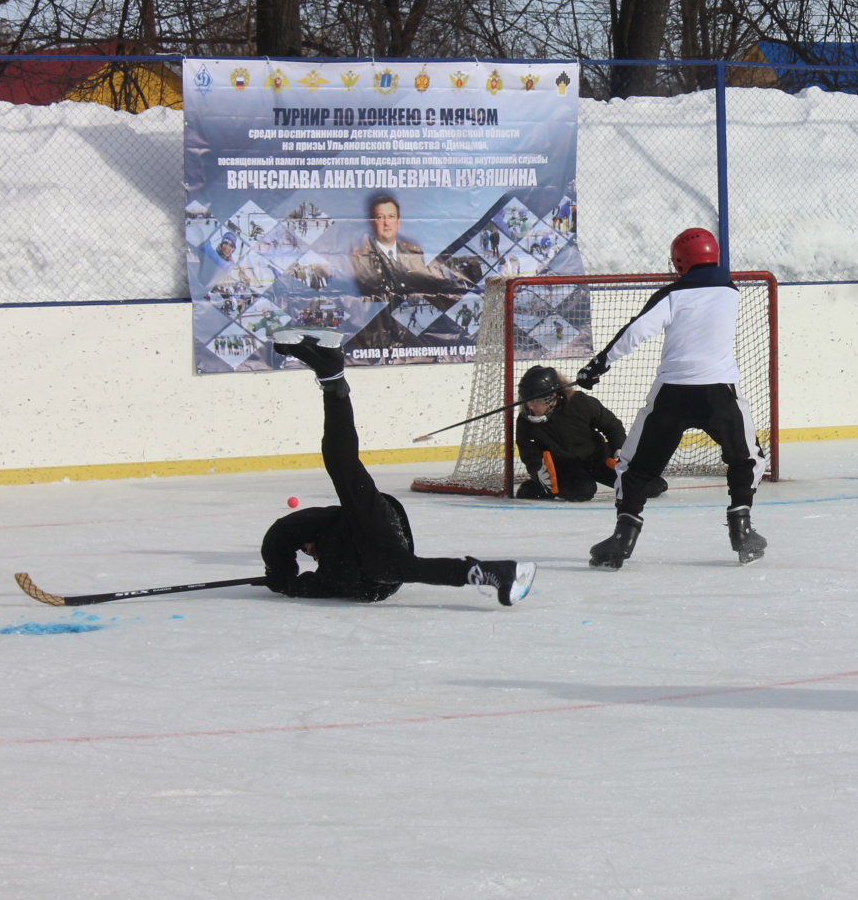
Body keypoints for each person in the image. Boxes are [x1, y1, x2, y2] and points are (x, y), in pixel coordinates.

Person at [260, 330, 535, 604]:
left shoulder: (322, 526)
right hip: (372, 579)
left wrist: (279, 571)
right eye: (308, 553)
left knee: (341, 465)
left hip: (371, 523)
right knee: (389, 568)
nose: (309, 550)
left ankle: (332, 380)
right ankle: (497, 571)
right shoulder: (335, 573)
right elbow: (317, 585)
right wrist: (287, 582)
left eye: (304, 547)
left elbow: (279, 534)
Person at [575, 227, 769, 569]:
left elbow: (635, 332)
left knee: (635, 467)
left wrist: (597, 366)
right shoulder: (731, 291)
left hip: (673, 395)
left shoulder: (673, 294)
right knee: (747, 458)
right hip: (720, 392)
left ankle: (622, 539)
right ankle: (742, 529)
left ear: (681, 262)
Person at [514, 364, 632, 502]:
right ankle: (537, 488)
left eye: (536, 401)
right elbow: (530, 456)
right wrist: (538, 474)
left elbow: (613, 426)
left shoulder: (580, 402)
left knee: (648, 486)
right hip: (567, 469)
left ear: (553, 396)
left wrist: (619, 450)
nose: (531, 406)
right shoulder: (525, 423)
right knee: (582, 491)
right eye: (527, 401)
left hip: (598, 459)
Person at [349, 194, 449, 300]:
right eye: (380, 217)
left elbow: (421, 288)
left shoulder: (414, 252)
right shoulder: (361, 257)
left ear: (398, 221)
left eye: (391, 216)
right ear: (373, 223)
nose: (386, 223)